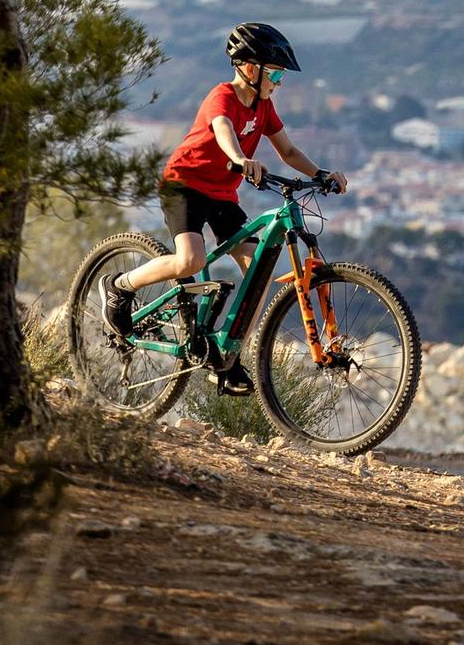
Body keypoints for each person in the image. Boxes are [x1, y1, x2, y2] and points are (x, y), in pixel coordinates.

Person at [104, 24, 347, 381]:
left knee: (258, 274)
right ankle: (119, 286)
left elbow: (290, 151)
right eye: (276, 73)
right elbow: (223, 132)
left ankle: (227, 358)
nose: (279, 82)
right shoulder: (223, 97)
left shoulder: (264, 107)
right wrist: (239, 158)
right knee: (190, 260)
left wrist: (321, 173)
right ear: (250, 68)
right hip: (184, 185)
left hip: (221, 194)